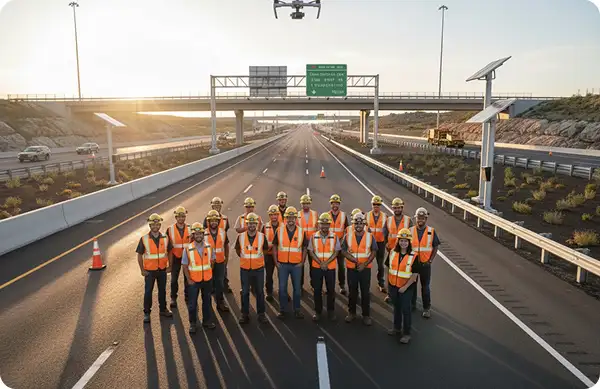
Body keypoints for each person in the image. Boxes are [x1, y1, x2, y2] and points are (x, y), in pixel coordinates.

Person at [136, 213, 174, 323]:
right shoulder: (144, 239)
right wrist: (142, 270)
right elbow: (139, 255)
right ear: (150, 225)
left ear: (160, 225)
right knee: (148, 292)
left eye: (157, 224)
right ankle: (147, 313)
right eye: (153, 224)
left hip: (162, 270)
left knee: (162, 291)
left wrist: (170, 266)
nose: (155, 226)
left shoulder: (166, 238)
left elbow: (170, 252)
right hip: (149, 271)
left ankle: (163, 309)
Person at [341, 212, 377, 326]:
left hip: (365, 269)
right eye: (356, 223)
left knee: (365, 293)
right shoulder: (348, 236)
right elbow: (343, 251)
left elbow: (374, 251)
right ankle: (351, 313)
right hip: (352, 268)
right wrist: (353, 260)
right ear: (353, 223)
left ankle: (366, 315)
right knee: (352, 292)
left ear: (364, 224)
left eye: (361, 223)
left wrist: (364, 264)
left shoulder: (370, 236)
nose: (359, 225)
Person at [272, 206, 308, 319]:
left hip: (296, 265)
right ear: (285, 218)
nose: (291, 219)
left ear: (296, 219)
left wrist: (302, 262)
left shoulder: (302, 231)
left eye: (293, 217)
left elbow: (305, 248)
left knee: (297, 290)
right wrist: (276, 262)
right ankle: (282, 310)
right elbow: (274, 246)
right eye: (289, 217)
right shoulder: (279, 230)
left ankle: (297, 310)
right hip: (282, 265)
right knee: (282, 289)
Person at [387, 228, 421, 344]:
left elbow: (414, 275)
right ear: (398, 241)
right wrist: (390, 284)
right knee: (396, 308)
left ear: (409, 242)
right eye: (401, 240)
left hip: (406, 288)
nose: (403, 243)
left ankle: (406, 333)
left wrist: (404, 288)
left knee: (406, 310)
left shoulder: (414, 256)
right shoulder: (392, 252)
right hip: (393, 286)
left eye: (406, 241)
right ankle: (396, 328)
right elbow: (388, 267)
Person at [234, 212, 269, 324]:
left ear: (257, 224)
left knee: (259, 291)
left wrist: (256, 260)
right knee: (244, 292)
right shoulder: (240, 237)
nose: (252, 226)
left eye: (254, 223)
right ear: (247, 224)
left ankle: (261, 314)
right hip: (245, 269)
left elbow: (265, 250)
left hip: (258, 268)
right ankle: (244, 314)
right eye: (250, 223)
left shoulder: (262, 237)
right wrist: (246, 259)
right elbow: (238, 250)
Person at [182, 222, 217, 333]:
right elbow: (185, 265)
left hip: (207, 280)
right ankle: (192, 323)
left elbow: (212, 262)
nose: (198, 236)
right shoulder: (187, 249)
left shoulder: (209, 247)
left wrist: (209, 274)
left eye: (200, 234)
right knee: (192, 304)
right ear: (193, 235)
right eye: (196, 234)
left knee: (207, 302)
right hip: (193, 282)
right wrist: (189, 280)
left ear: (203, 234)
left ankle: (206, 321)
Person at [307, 213, 341, 321]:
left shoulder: (334, 236)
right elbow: (311, 251)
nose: (325, 226)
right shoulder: (313, 236)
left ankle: (331, 312)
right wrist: (320, 262)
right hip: (317, 267)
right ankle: (318, 312)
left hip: (330, 268)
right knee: (317, 290)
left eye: (327, 224)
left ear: (329, 225)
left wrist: (326, 263)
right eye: (323, 224)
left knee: (331, 290)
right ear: (319, 224)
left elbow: (336, 252)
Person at [409, 207, 440, 319]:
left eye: (423, 218)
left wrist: (430, 260)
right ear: (416, 218)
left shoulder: (431, 231)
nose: (420, 220)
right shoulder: (410, 230)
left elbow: (435, 246)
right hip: (413, 264)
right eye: (419, 218)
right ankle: (412, 305)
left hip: (425, 264)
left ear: (426, 219)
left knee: (425, 287)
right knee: (412, 286)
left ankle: (426, 308)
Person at [383, 198, 412, 303]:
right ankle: (390, 294)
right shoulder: (389, 220)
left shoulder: (408, 220)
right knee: (391, 274)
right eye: (395, 208)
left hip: (405, 252)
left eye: (399, 207)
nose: (397, 209)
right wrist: (386, 242)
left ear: (402, 208)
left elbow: (412, 236)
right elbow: (385, 233)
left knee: (406, 274)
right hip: (392, 252)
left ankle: (407, 296)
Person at [204, 197, 232, 294]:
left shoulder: (225, 218)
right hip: (210, 254)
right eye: (215, 205)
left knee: (223, 272)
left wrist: (226, 256)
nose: (216, 207)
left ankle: (225, 285)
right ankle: (212, 288)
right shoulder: (207, 218)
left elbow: (225, 235)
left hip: (220, 248)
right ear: (212, 206)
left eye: (218, 205)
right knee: (211, 275)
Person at [204, 210, 230, 312]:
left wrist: (226, 259)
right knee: (208, 285)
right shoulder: (204, 233)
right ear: (208, 222)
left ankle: (220, 303)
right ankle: (208, 306)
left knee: (220, 283)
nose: (214, 222)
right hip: (208, 264)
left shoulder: (223, 232)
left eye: (216, 221)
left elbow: (226, 245)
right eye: (212, 221)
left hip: (220, 262)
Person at [166, 206, 191, 308]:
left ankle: (187, 296)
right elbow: (167, 247)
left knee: (187, 278)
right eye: (179, 217)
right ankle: (173, 298)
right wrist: (168, 263)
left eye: (183, 216)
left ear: (185, 217)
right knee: (174, 279)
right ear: (176, 217)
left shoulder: (190, 228)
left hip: (187, 257)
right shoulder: (170, 230)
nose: (181, 218)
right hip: (175, 257)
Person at [364, 195, 388, 294]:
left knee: (380, 264)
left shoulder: (385, 216)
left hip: (380, 243)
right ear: (372, 205)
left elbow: (387, 230)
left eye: (378, 204)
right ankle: (365, 282)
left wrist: (386, 242)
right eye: (374, 204)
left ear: (380, 205)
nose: (376, 206)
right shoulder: (367, 215)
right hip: (369, 243)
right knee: (366, 263)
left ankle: (380, 282)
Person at [328, 194, 349, 295]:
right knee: (329, 267)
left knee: (341, 266)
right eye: (333, 203)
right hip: (329, 246)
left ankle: (342, 285)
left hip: (340, 245)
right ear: (331, 204)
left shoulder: (343, 216)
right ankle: (329, 286)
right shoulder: (326, 215)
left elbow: (347, 230)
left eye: (337, 203)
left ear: (339, 204)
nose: (335, 205)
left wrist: (343, 241)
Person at [298, 194, 318, 290]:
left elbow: (318, 228)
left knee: (313, 266)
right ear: (301, 204)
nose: (305, 205)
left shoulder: (315, 214)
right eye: (303, 203)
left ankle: (314, 285)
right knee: (300, 266)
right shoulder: (297, 215)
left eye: (307, 203)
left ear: (310, 204)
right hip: (301, 244)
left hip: (312, 244)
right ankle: (300, 285)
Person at [262, 204, 281, 302]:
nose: (274, 216)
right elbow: (261, 241)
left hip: (280, 255)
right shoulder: (265, 226)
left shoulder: (283, 226)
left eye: (275, 214)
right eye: (272, 214)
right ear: (269, 216)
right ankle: (269, 292)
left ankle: (283, 292)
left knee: (281, 275)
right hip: (269, 255)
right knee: (269, 275)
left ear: (278, 215)